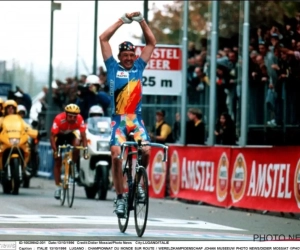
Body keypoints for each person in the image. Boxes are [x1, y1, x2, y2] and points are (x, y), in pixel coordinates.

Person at [99, 11, 156, 218]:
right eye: (126, 56)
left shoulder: (140, 66)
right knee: (116, 155)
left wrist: (141, 21)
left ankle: (139, 181)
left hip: (136, 120)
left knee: (147, 151)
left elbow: (151, 42)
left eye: (132, 55)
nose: (130, 58)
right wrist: (122, 21)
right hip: (119, 121)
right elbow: (103, 38)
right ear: (120, 57)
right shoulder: (112, 67)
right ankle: (120, 197)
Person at [50, 103, 89, 200]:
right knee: (57, 161)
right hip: (59, 136)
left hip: (71, 135)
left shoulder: (79, 119)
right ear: (66, 114)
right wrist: (55, 150)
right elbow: (52, 136)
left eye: (74, 116)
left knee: (77, 145)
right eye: (70, 116)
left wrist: (85, 150)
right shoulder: (59, 119)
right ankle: (58, 187)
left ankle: (73, 165)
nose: (72, 118)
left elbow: (83, 136)